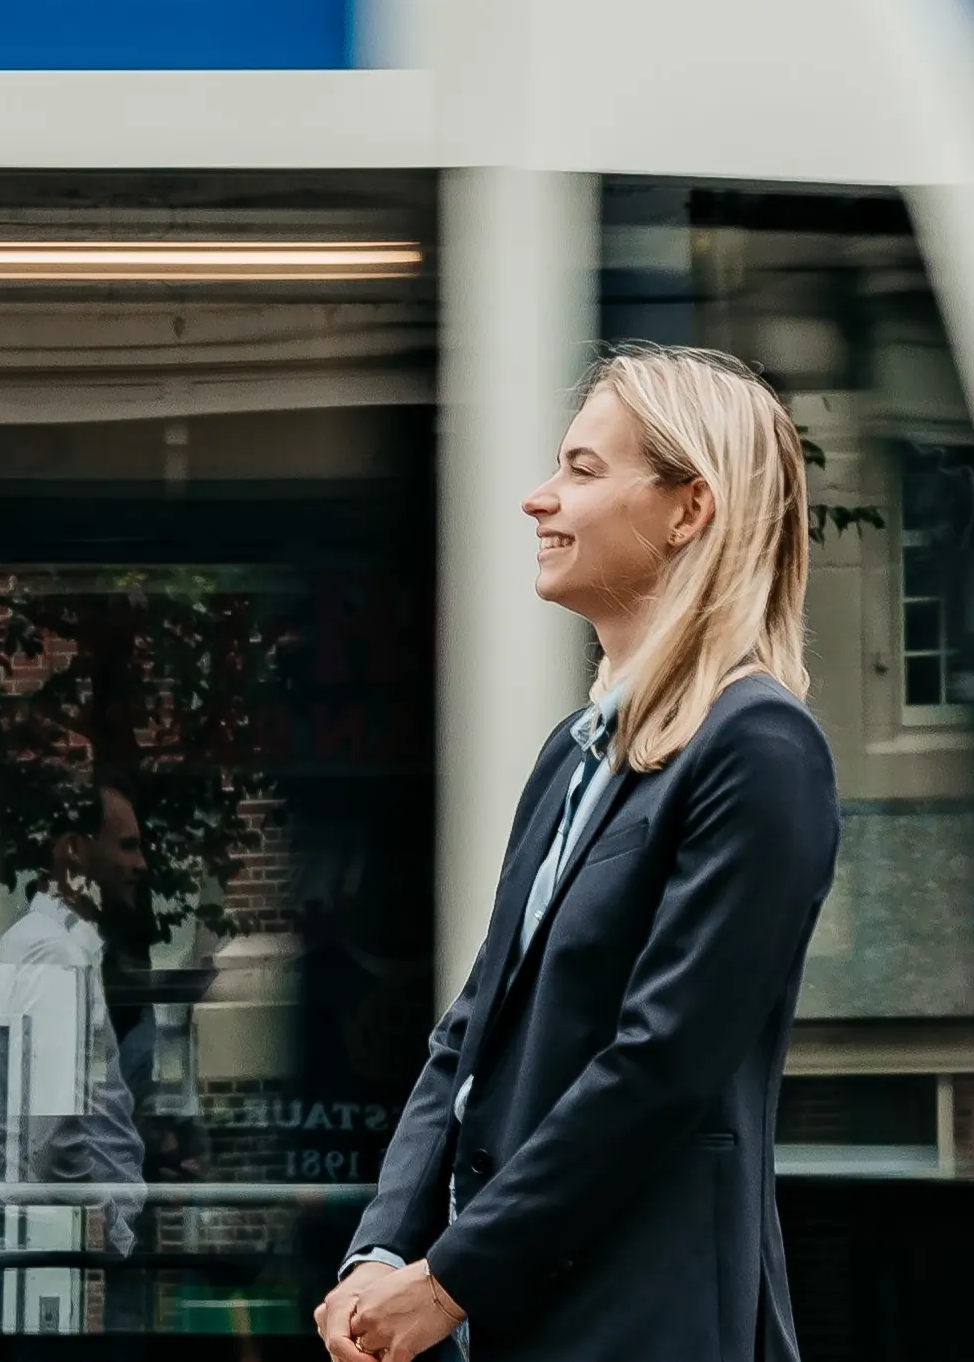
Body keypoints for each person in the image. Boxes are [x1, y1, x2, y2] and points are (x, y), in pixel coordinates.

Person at [317, 345, 842, 1362]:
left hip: (641, 1326)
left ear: (690, 508)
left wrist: (452, 1276)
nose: (537, 498)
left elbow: (658, 1066)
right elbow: (466, 1037)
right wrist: (382, 1247)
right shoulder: (574, 753)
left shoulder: (761, 748)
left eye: (584, 469)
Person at [0, 781, 154, 1330]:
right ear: (74, 851)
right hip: (59, 1260)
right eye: (126, 845)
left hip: (44, 1250)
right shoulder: (53, 953)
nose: (141, 863)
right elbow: (52, 1140)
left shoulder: (41, 945)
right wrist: (100, 1234)